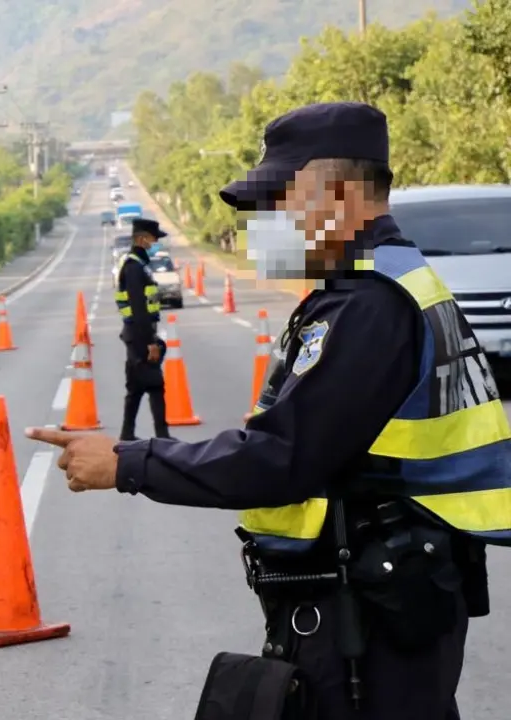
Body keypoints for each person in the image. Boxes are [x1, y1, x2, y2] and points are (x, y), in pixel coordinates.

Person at [27, 101, 511, 719]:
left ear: (337, 193)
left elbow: (282, 457)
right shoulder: (390, 284)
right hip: (395, 591)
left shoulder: (370, 307)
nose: (266, 221)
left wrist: (127, 462)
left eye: (278, 199)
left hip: (370, 611)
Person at [114, 217, 172, 441]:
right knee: (155, 385)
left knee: (136, 388)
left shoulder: (138, 265)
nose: (154, 242)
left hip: (136, 335)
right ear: (140, 238)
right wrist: (150, 343)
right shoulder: (134, 268)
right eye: (151, 238)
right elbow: (139, 308)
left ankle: (127, 434)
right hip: (139, 337)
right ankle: (163, 436)